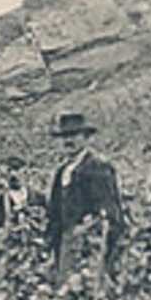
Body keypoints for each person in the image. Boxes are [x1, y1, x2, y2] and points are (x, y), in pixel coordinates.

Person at [45, 112, 130, 284]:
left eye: (74, 135)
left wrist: (94, 235)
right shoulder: (62, 171)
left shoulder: (98, 167)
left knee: (88, 288)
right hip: (66, 242)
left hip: (90, 243)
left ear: (86, 138)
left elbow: (109, 210)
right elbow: (55, 213)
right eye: (64, 137)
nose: (68, 141)